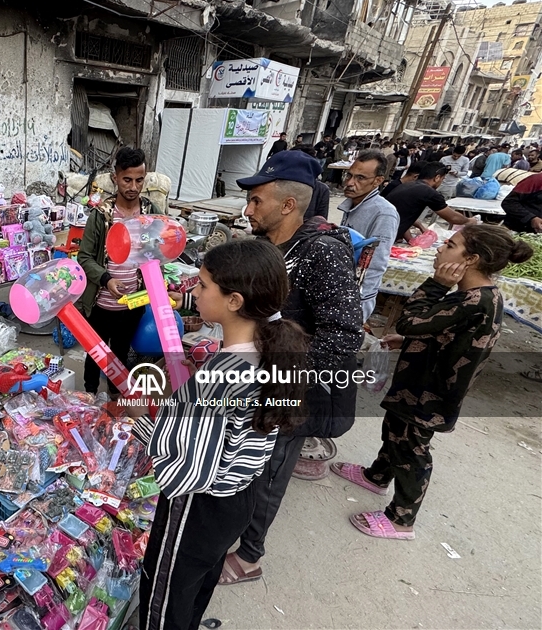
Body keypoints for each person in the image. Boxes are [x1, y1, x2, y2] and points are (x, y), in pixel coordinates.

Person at [132, 240, 308, 630]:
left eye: (204, 285)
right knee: (199, 581)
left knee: (167, 592)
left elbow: (185, 473)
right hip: (239, 497)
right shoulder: (268, 348)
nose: (194, 290)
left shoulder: (221, 377)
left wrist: (144, 420)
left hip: (198, 508)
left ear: (234, 301)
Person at [332, 226, 533, 539]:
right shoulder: (479, 295)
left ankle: (402, 519)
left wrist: (436, 285)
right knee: (395, 431)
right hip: (423, 381)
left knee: (412, 449)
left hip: (430, 392)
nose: (440, 248)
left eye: (451, 245)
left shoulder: (473, 300)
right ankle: (378, 475)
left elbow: (411, 320)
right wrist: (413, 338)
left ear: (472, 260)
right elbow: (446, 331)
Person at [218, 151, 363, 585]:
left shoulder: (322, 253)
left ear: (287, 205)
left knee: (271, 473)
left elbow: (342, 334)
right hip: (259, 381)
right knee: (248, 463)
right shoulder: (269, 248)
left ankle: (249, 557)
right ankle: (237, 534)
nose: (247, 209)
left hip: (293, 390)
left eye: (256, 200)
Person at [77, 147, 162, 394]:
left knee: (121, 353)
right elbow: (84, 256)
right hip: (101, 304)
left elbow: (157, 252)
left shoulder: (151, 212)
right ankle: (89, 397)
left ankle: (116, 399)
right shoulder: (102, 215)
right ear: (115, 177)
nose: (133, 186)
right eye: (127, 179)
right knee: (96, 353)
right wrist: (106, 279)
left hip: (133, 304)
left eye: (139, 180)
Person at [338, 150, 401, 323]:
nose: (350, 183)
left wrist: (356, 301)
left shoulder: (384, 213)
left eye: (360, 178)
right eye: (349, 175)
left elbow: (376, 264)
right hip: (340, 288)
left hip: (355, 298)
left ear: (378, 181)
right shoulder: (353, 204)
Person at [385, 162, 477, 242]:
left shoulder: (407, 185)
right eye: (442, 179)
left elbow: (402, 215)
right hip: (386, 235)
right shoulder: (429, 192)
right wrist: (469, 221)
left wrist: (411, 240)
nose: (441, 182)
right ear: (437, 177)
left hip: (384, 231)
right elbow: (452, 217)